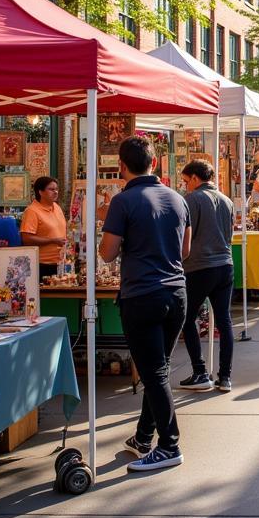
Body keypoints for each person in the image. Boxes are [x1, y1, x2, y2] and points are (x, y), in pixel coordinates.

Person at [100, 135, 191, 473]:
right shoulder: (178, 199)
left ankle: (169, 445)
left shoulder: (123, 201)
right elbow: (185, 251)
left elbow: (107, 252)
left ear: (121, 166)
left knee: (154, 372)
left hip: (142, 293)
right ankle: (143, 437)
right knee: (159, 369)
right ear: (154, 163)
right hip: (176, 292)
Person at [177, 160, 235, 393]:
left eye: (185, 181)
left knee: (188, 317)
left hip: (200, 266)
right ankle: (225, 376)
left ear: (194, 179)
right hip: (225, 264)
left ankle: (200, 371)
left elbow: (186, 235)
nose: (185, 186)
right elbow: (229, 234)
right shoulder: (227, 200)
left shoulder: (192, 200)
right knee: (224, 320)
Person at [19, 176, 67, 278]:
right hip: (42, 264)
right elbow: (26, 238)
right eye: (51, 189)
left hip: (60, 262)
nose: (55, 192)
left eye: (56, 189)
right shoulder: (32, 211)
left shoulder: (57, 207)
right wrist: (52, 241)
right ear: (40, 192)